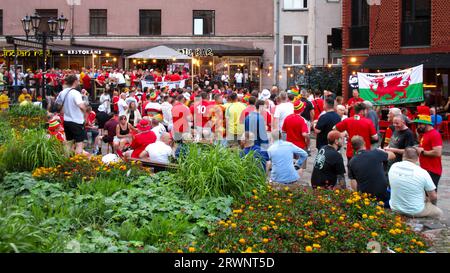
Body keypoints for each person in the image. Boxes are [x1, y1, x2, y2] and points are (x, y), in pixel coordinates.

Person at [388, 147, 443, 219]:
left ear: (403, 156)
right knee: (439, 212)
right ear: (418, 158)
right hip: (415, 211)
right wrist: (432, 204)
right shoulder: (422, 172)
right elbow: (433, 196)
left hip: (395, 207)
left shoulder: (393, 166)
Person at [348, 136, 395, 203]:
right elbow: (393, 155)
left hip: (365, 196)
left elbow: (353, 183)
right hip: (382, 193)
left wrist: (359, 196)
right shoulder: (376, 153)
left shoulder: (351, 162)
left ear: (352, 147)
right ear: (364, 143)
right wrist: (382, 151)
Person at [56, 74, 87, 155]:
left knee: (68, 143)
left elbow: (58, 105)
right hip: (77, 121)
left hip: (66, 121)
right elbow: (81, 105)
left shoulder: (62, 92)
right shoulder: (75, 93)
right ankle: (77, 163)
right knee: (79, 144)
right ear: (75, 81)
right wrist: (85, 113)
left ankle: (66, 161)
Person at [414, 113, 443, 191]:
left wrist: (423, 152)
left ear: (426, 124)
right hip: (426, 169)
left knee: (431, 195)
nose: (418, 126)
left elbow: (437, 153)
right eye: (418, 124)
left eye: (420, 124)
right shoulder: (425, 134)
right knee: (427, 195)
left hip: (432, 170)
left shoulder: (434, 134)